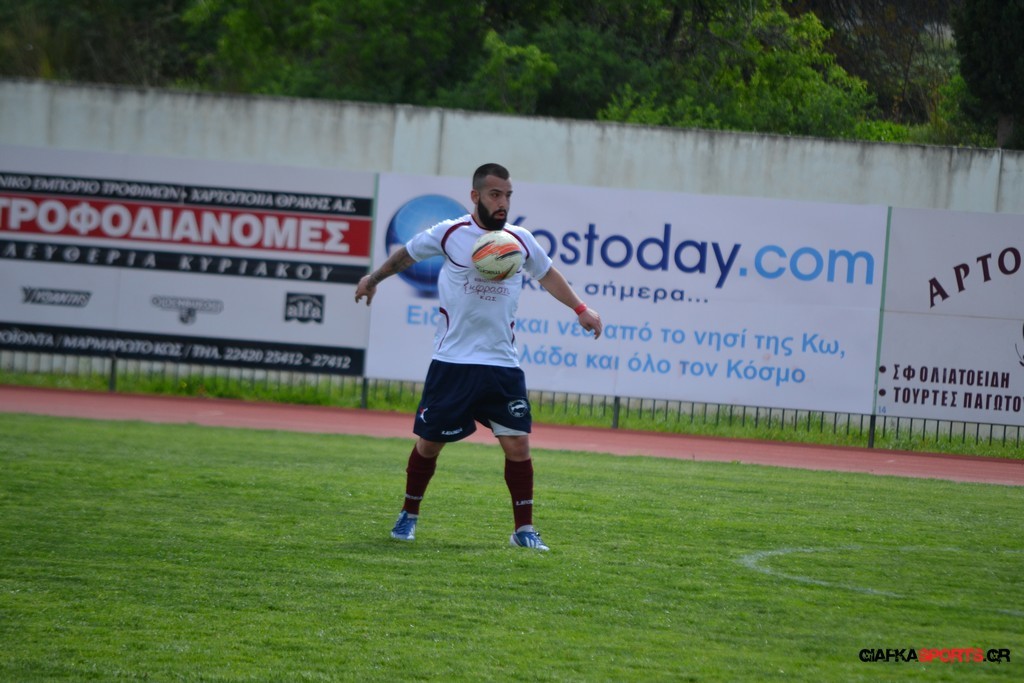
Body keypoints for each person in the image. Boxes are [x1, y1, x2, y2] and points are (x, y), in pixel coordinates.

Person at [354, 163, 602, 551]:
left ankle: (524, 530)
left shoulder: (520, 240)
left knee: (518, 446)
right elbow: (406, 256)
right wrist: (373, 279)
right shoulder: (450, 232)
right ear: (476, 196)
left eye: (507, 195)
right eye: (494, 194)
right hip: (453, 362)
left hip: (502, 363)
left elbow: (548, 274)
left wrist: (580, 308)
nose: (503, 202)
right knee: (429, 445)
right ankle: (408, 515)